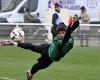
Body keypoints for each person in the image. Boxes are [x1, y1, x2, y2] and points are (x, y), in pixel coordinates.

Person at [0, 16, 79, 80]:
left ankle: (30, 72)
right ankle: (13, 43)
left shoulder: (68, 39)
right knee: (34, 53)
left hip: (49, 52)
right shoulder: (58, 40)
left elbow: (69, 34)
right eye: (59, 33)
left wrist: (76, 21)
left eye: (62, 32)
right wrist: (71, 25)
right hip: (49, 52)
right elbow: (67, 36)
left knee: (36, 59)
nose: (61, 34)